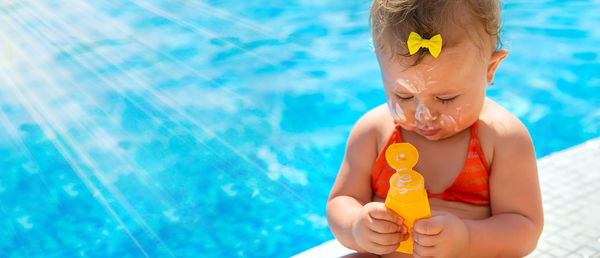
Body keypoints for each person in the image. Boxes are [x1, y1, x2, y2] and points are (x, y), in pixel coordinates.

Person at [326, 0, 544, 257]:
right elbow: (340, 201)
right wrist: (355, 226)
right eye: (404, 96)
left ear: (490, 69)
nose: (424, 115)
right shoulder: (373, 133)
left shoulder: (501, 139)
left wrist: (467, 239)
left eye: (446, 99)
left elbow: (524, 230)